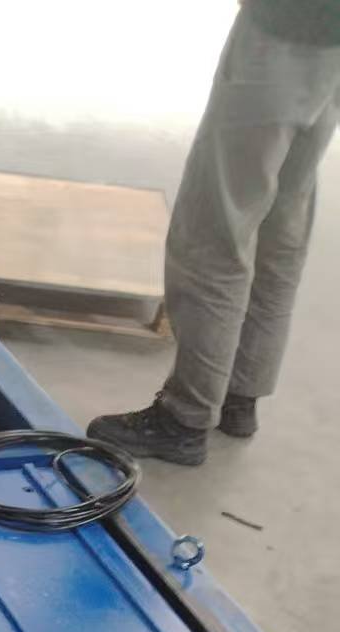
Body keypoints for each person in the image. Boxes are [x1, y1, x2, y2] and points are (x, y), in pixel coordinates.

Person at [88, 0, 340, 466]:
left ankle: (185, 417)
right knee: (280, 225)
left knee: (215, 232)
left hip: (282, 32)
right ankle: (239, 396)